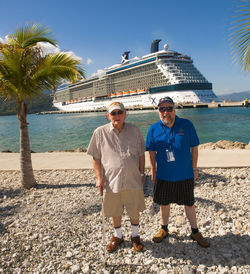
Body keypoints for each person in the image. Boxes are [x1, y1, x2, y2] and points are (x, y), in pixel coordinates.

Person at [146, 96, 210, 248]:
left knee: (189, 203)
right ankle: (164, 229)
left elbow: (194, 147)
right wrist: (153, 171)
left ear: (174, 110)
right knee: (164, 203)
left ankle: (195, 231)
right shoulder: (153, 129)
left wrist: (195, 167)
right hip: (164, 175)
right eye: (162, 109)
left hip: (185, 173)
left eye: (169, 108)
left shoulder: (186, 124)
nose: (166, 112)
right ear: (158, 111)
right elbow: (151, 152)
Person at [87, 102, 146, 252]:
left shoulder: (135, 130)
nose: (117, 116)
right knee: (115, 210)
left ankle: (135, 236)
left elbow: (141, 154)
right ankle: (118, 236)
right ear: (108, 116)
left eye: (120, 112)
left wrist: (142, 173)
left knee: (134, 209)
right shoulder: (99, 133)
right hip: (111, 181)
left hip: (133, 179)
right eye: (113, 113)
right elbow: (96, 158)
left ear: (125, 113)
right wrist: (99, 178)